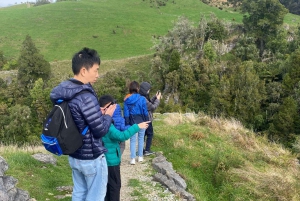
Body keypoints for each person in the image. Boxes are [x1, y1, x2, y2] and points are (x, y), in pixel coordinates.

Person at [50, 47, 116, 201]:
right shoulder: (86, 96)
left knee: (79, 194)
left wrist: (95, 112)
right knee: (95, 197)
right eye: (96, 70)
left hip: (75, 155)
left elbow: (77, 117)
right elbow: (100, 131)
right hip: (91, 157)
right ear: (84, 70)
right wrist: (108, 116)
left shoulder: (65, 91)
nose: (98, 75)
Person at [99, 95, 149, 201]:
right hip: (111, 162)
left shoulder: (97, 121)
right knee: (115, 187)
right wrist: (137, 127)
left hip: (102, 161)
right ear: (105, 109)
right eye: (112, 107)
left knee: (105, 188)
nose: (114, 109)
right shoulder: (107, 125)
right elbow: (122, 136)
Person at [123, 81, 149, 165]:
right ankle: (140, 157)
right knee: (141, 139)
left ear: (130, 88)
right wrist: (146, 121)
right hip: (142, 120)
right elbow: (145, 111)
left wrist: (127, 123)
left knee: (133, 140)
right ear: (138, 88)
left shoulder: (126, 99)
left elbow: (126, 113)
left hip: (132, 122)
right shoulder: (142, 98)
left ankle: (132, 158)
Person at [139, 82, 161, 156]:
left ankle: (141, 150)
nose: (149, 91)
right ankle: (147, 150)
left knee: (142, 135)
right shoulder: (143, 99)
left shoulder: (140, 97)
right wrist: (158, 99)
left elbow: (149, 103)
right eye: (148, 90)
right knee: (149, 134)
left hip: (141, 119)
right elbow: (152, 107)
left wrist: (155, 97)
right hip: (147, 119)